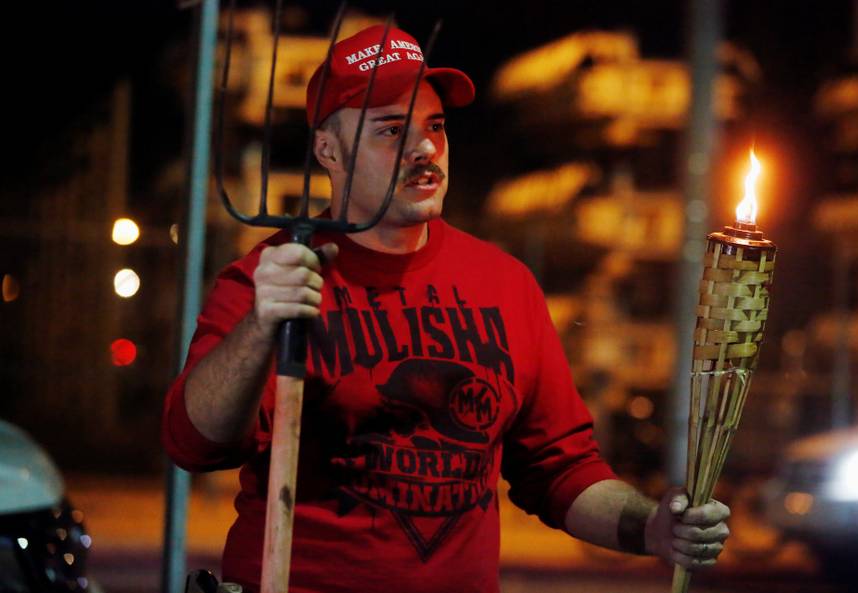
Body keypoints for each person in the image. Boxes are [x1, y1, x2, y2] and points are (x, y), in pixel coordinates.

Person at [162, 24, 730, 593]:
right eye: (392, 131)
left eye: (435, 127)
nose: (426, 149)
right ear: (328, 150)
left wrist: (651, 528)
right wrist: (261, 326)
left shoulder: (504, 285)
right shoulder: (276, 278)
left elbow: (559, 470)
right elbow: (195, 443)